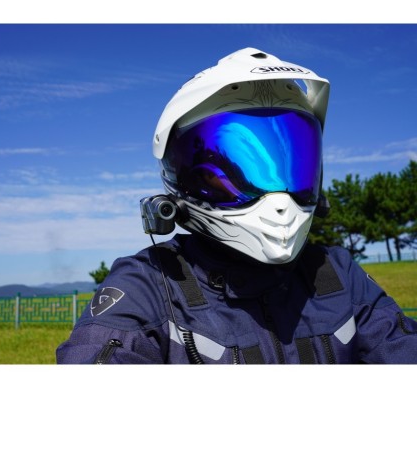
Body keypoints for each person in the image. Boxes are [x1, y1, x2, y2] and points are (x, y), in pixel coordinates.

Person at [56, 47, 417, 364]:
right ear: (182, 177)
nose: (278, 202)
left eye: (290, 168)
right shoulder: (151, 284)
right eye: (230, 175)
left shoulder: (333, 274)